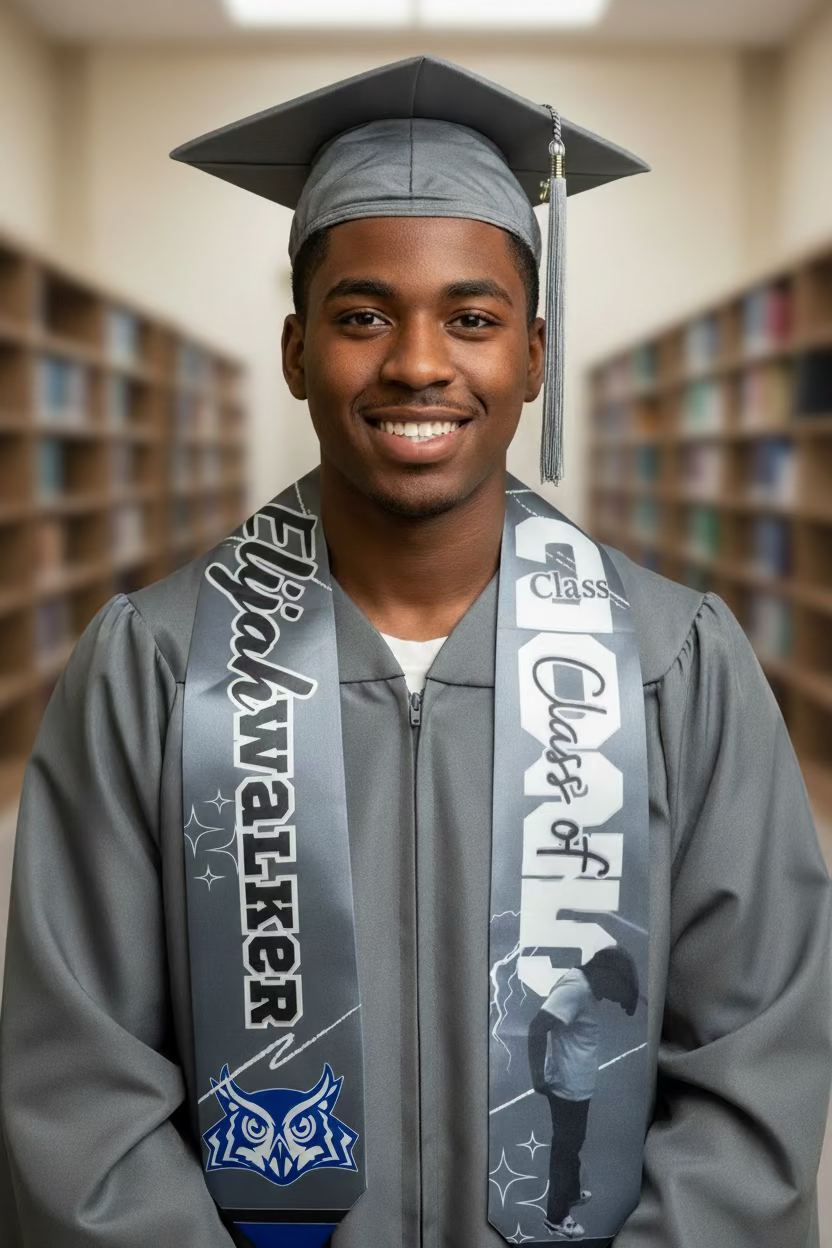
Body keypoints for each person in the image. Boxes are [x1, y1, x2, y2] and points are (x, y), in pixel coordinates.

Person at [1, 54, 831, 1248]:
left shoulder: (674, 667)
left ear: (534, 357)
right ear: (295, 353)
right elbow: (78, 1094)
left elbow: (752, 1076)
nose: (418, 364)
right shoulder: (151, 672)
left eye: (473, 319)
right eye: (361, 316)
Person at [528, 946, 639, 1239]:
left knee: (573, 1145)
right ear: (604, 974)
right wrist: (538, 1077)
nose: (611, 999)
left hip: (578, 1087)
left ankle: (572, 1192)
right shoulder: (575, 989)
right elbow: (538, 1027)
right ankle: (556, 1217)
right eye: (614, 991)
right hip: (567, 1089)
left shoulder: (587, 988)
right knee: (564, 1152)